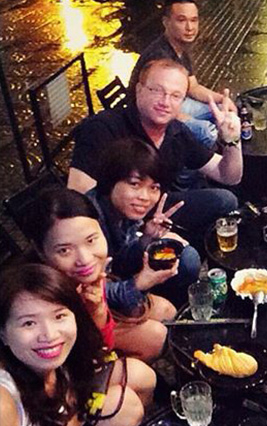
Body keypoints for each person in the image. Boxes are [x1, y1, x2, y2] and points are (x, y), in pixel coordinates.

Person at [68, 58, 241, 240]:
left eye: (175, 96)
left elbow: (228, 176)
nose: (165, 102)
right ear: (139, 90)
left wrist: (232, 139)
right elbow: (79, 200)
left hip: (157, 210)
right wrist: (143, 235)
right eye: (157, 90)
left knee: (225, 200)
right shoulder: (102, 128)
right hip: (112, 228)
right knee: (186, 254)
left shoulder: (176, 132)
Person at [0, 264, 143, 426]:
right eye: (29, 323)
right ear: (3, 334)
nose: (50, 335)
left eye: (59, 316)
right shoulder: (4, 405)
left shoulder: (59, 374)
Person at [25, 188, 176, 363]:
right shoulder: (45, 296)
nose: (85, 259)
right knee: (154, 338)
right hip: (78, 352)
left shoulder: (83, 274)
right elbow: (95, 348)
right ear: (41, 252)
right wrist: (98, 310)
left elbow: (116, 273)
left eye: (90, 240)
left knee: (166, 310)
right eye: (64, 250)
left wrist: (147, 239)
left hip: (100, 318)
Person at [88, 138, 200, 308]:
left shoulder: (123, 209)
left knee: (185, 256)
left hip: (119, 278)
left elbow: (122, 257)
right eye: (135, 184)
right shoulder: (88, 221)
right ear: (110, 181)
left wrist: (147, 237)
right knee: (165, 310)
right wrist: (138, 284)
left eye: (153, 188)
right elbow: (89, 293)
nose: (145, 197)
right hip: (92, 306)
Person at [129, 0, 223, 148]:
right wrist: (186, 119)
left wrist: (222, 99)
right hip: (149, 115)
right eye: (181, 20)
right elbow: (157, 106)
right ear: (166, 22)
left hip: (173, 102)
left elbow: (193, 87)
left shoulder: (179, 47)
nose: (189, 28)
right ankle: (189, 162)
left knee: (222, 110)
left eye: (194, 20)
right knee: (206, 131)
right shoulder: (159, 58)